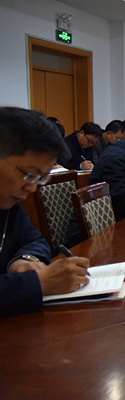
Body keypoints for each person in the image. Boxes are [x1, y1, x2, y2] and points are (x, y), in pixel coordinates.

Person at [0, 107, 90, 318]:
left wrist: (24, 260)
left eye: (40, 179)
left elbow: (34, 240)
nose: (32, 188)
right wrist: (37, 283)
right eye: (29, 175)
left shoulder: (8, 200)